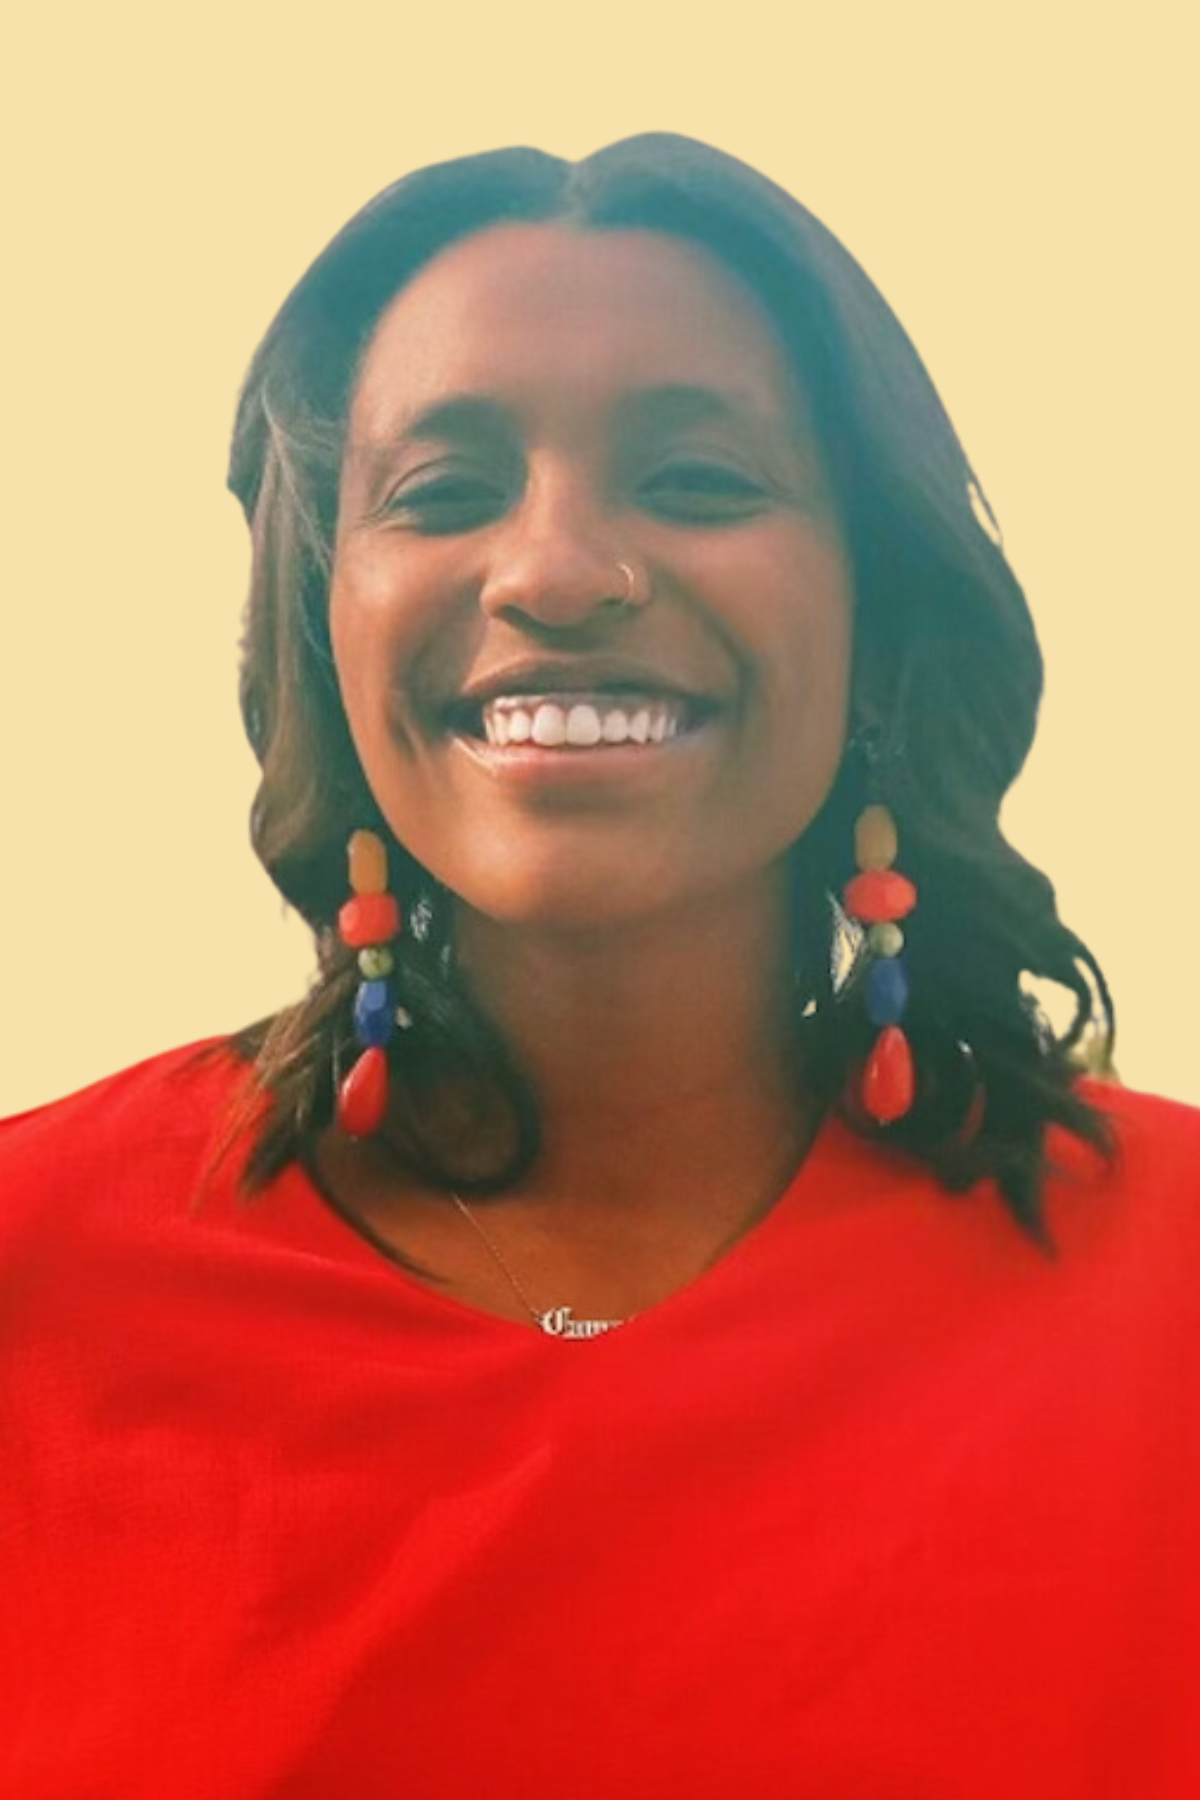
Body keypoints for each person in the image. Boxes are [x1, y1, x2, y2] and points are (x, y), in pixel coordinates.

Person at [2, 133, 1198, 1800]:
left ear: (873, 609)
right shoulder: (34, 1278)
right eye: (441, 493)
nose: (559, 571)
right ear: (323, 617)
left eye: (699, 482)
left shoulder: (1173, 1293)